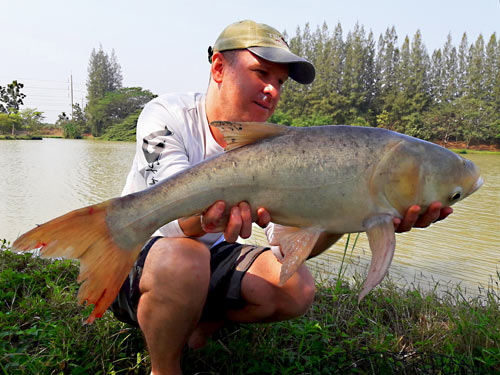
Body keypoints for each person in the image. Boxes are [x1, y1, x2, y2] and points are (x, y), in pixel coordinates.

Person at [110, 20, 453, 375]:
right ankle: (165, 368)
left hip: (205, 261)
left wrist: (348, 213)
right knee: (186, 257)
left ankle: (198, 325)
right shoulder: (166, 114)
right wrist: (205, 220)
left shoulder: (278, 148)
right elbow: (167, 211)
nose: (272, 90)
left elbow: (286, 245)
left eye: (280, 82)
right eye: (261, 73)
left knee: (295, 287)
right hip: (141, 254)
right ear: (218, 68)